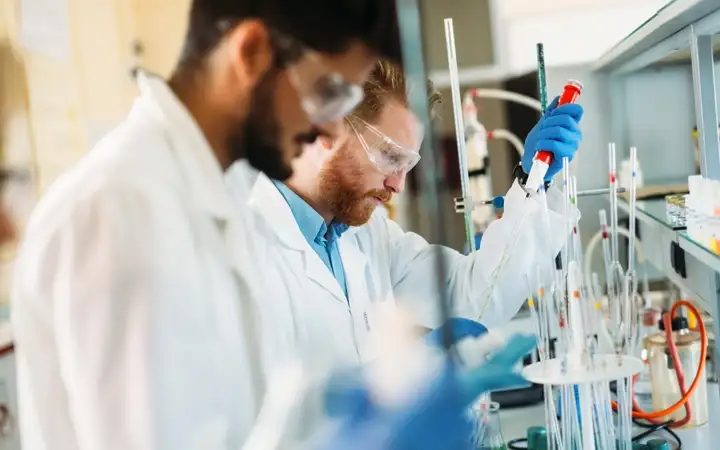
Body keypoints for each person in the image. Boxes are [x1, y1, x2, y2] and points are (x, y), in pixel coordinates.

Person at [10, 1, 408, 449]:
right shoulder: (125, 209)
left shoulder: (214, 200)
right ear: (252, 51)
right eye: (329, 93)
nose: (332, 130)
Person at [233, 60, 583, 353]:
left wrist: (532, 181)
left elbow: (473, 295)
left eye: (407, 165)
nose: (397, 185)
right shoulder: (243, 247)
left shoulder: (368, 234)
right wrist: (411, 366)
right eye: (389, 157)